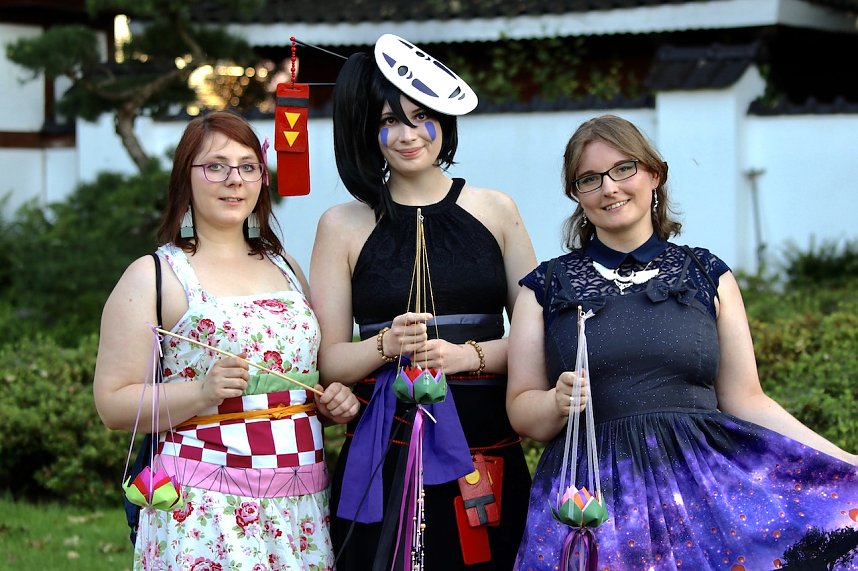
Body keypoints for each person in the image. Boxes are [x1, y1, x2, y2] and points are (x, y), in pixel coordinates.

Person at [507, 114, 858, 570]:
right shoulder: (545, 287)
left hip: (707, 494)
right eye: (589, 179)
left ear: (654, 174)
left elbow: (747, 398)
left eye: (623, 169)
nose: (609, 188)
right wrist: (555, 402)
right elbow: (520, 411)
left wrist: (843, 458)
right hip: (593, 500)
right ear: (576, 195)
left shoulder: (707, 274)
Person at [93, 110, 359, 570]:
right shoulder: (155, 276)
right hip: (203, 504)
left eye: (248, 166)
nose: (234, 180)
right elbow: (113, 404)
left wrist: (330, 403)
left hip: (301, 500)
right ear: (186, 178)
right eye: (215, 166)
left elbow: (296, 385)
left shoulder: (286, 268)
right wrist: (200, 392)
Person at [309, 34, 537, 569]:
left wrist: (468, 357)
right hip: (383, 447)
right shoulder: (341, 225)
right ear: (369, 132)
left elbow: (539, 337)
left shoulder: (496, 210)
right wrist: (386, 344)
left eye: (420, 116)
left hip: (485, 447)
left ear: (444, 121)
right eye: (388, 120)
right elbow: (330, 359)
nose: (407, 134)